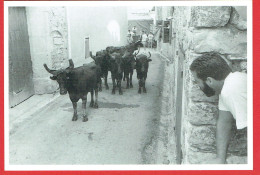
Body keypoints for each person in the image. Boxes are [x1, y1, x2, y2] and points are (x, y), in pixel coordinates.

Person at [189, 52, 247, 164]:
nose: (198, 86)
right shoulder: (227, 87)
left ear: (209, 81)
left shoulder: (231, 91)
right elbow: (224, 123)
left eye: (197, 82)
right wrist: (220, 158)